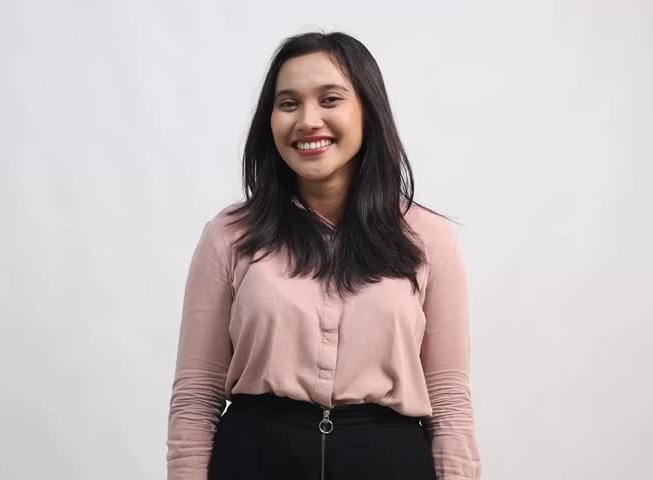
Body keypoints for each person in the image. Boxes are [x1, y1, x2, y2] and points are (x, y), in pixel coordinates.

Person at [166, 31, 481, 480]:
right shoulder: (228, 237)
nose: (307, 120)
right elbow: (196, 396)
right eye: (288, 103)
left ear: (367, 112)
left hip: (388, 463)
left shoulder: (429, 239)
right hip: (255, 459)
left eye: (330, 99)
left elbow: (448, 398)